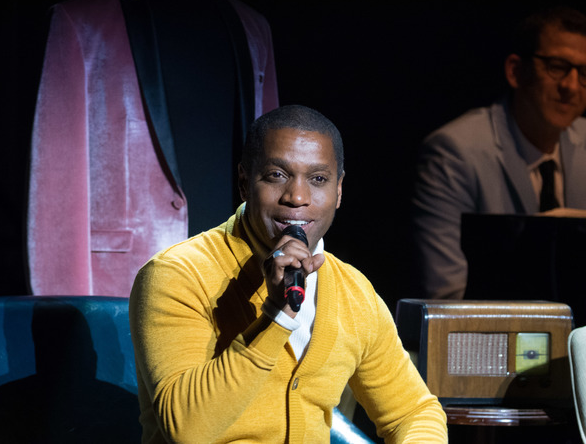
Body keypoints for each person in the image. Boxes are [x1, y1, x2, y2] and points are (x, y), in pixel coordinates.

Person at [130, 105, 448, 443]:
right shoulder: (177, 274)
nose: (297, 197)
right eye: (276, 175)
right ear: (243, 182)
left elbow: (414, 412)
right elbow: (187, 429)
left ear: (338, 191)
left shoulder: (353, 291)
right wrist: (276, 317)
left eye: (318, 179)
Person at [27, 0, 278, 298]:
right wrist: (67, 315)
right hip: (124, 287)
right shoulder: (81, 22)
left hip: (236, 278)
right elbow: (57, 185)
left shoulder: (253, 28)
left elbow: (276, 161)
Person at [410, 6, 586, 300]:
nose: (570, 85)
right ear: (516, 71)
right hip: (489, 340)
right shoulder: (455, 153)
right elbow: (447, 296)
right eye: (557, 66)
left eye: (583, 73)